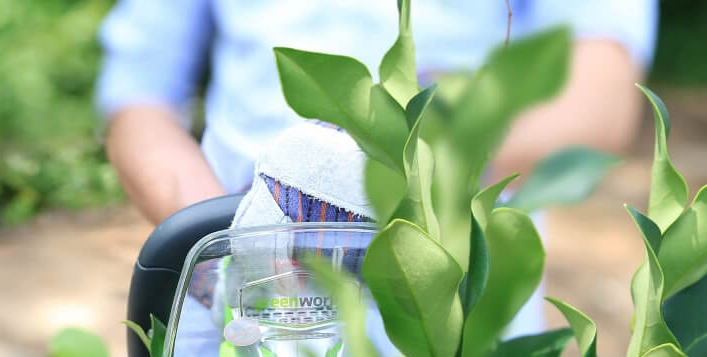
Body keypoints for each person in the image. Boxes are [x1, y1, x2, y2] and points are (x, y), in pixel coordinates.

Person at [96, 0, 658, 226]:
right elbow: (136, 97)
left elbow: (599, 100)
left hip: (451, 323)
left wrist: (406, 169)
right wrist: (220, 236)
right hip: (241, 299)